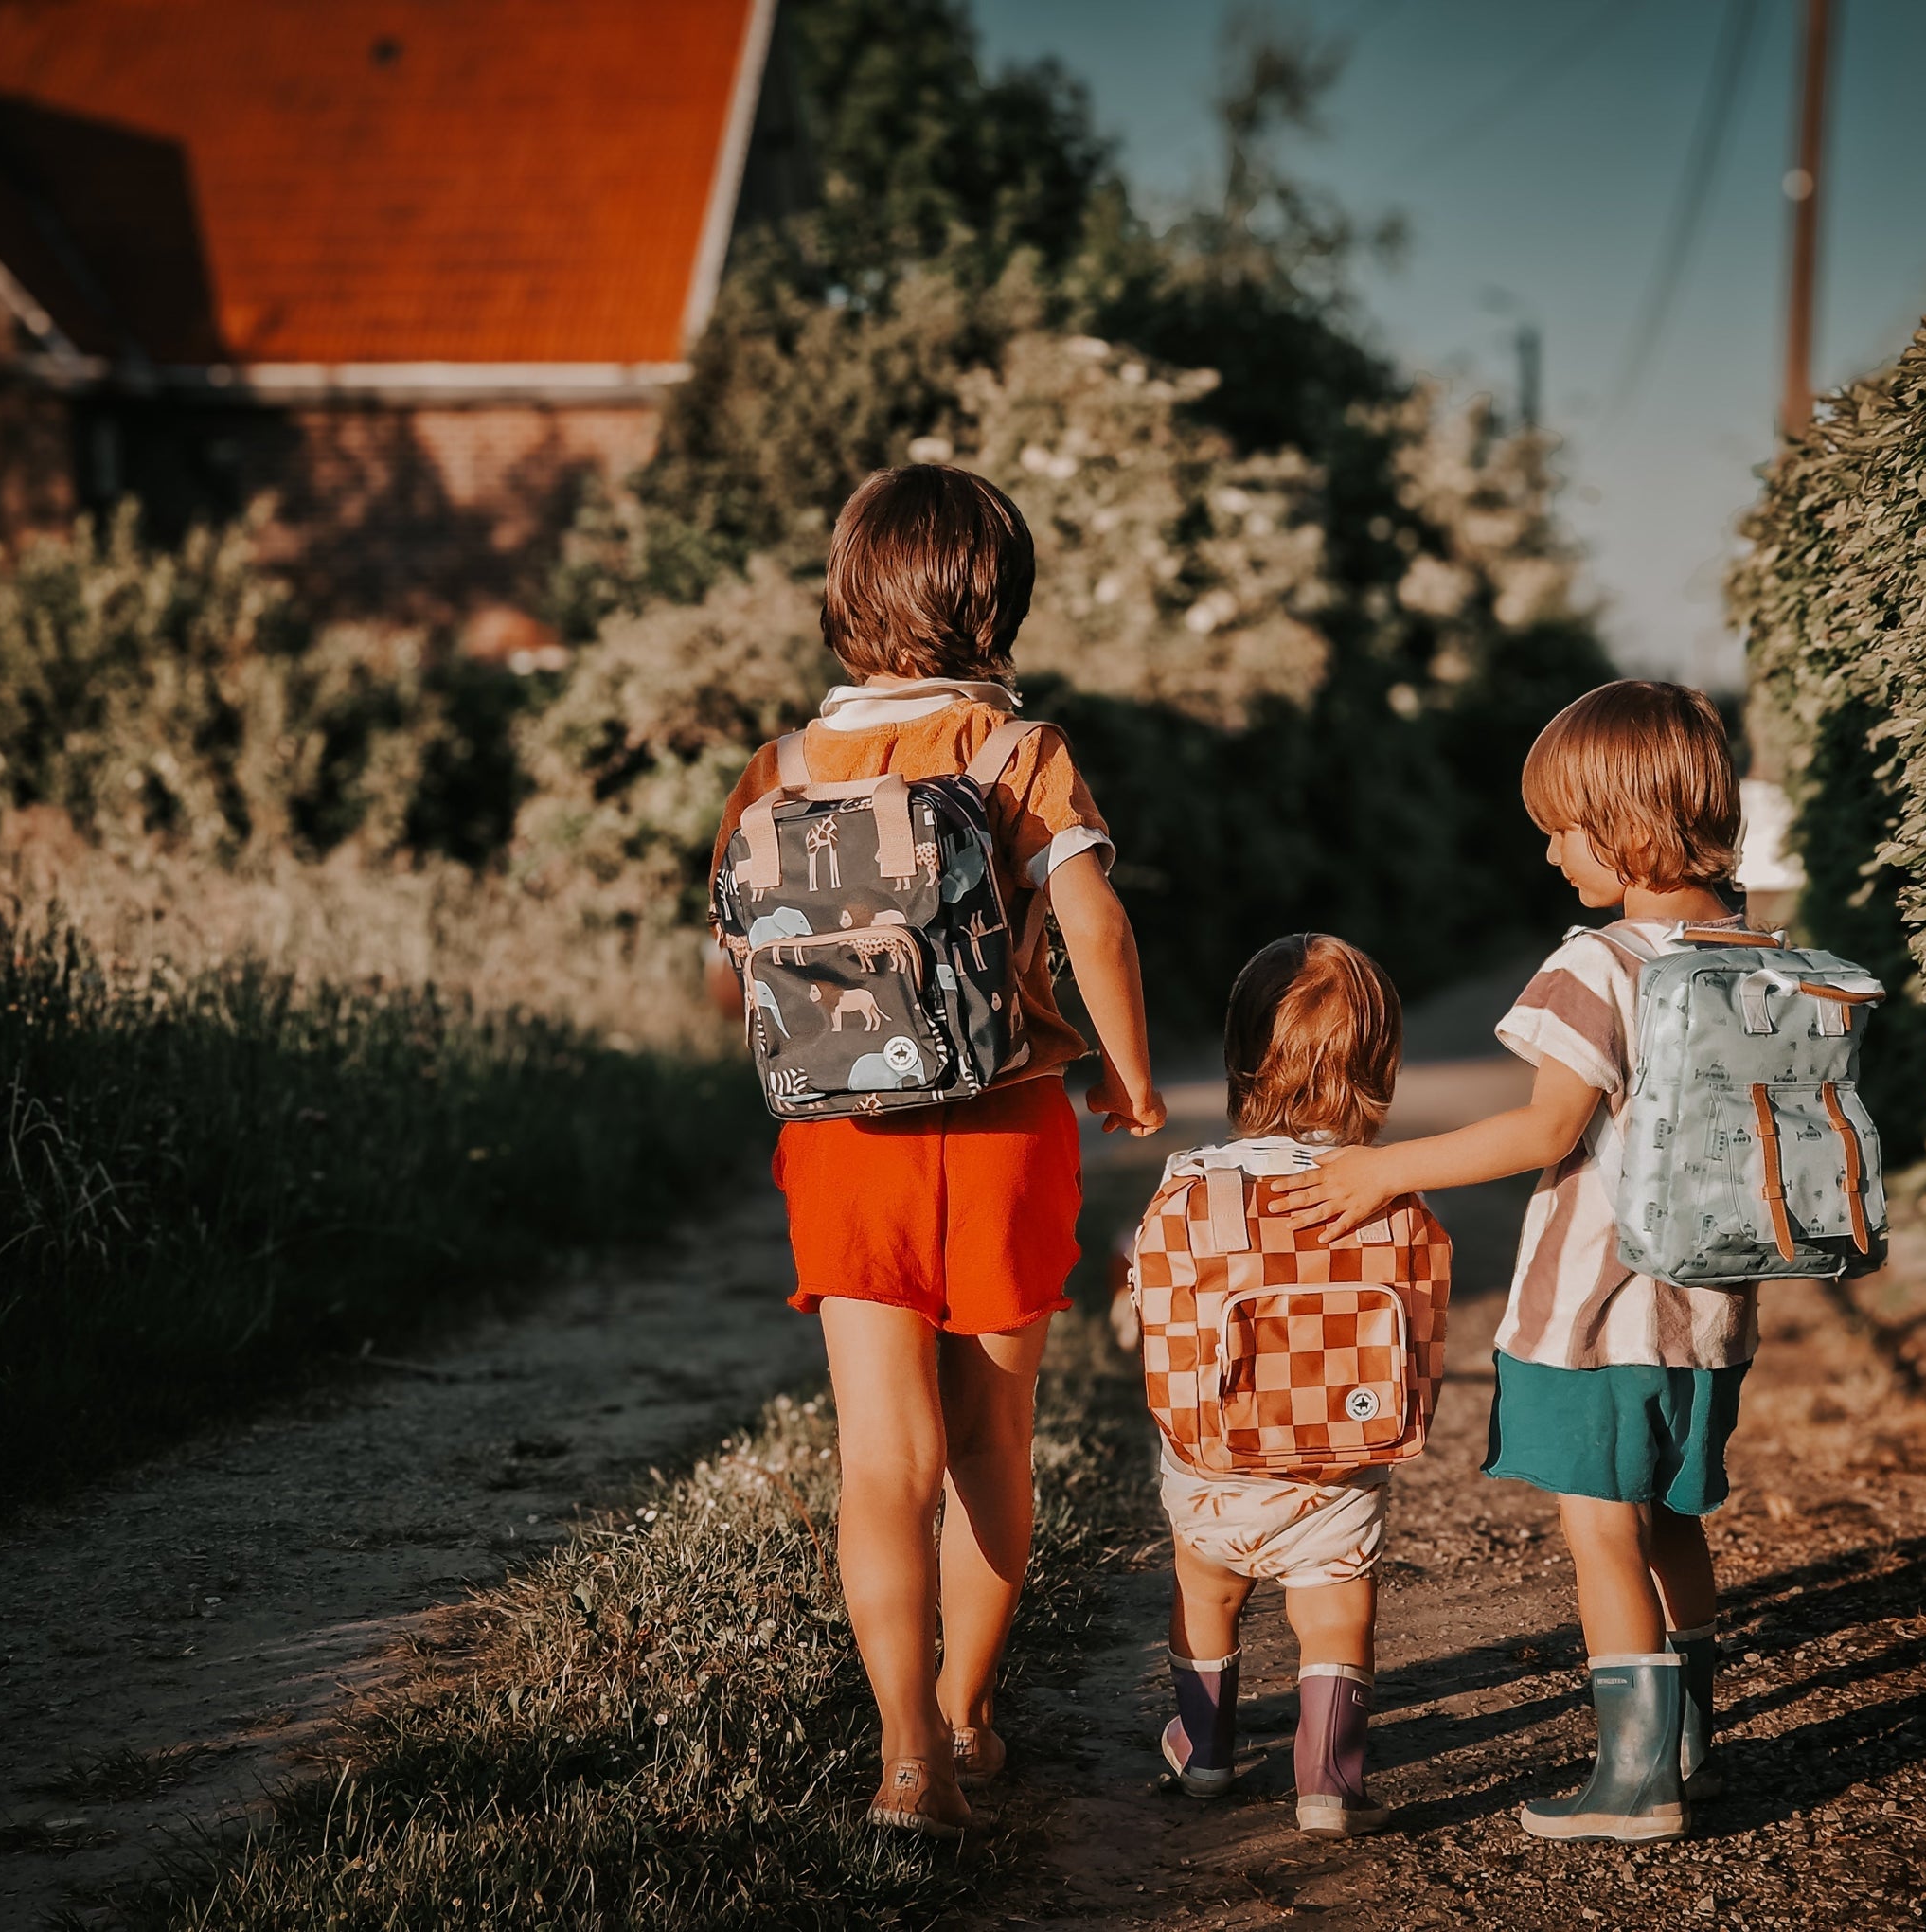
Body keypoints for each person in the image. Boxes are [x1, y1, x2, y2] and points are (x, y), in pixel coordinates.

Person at [705, 465, 1166, 1839]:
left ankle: (907, 1762)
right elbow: (1094, 923)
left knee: (881, 1459)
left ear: (845, 595)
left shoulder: (781, 770)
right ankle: (968, 1714)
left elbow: (733, 971)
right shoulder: (1017, 753)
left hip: (847, 1142)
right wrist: (1131, 1077)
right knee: (990, 1439)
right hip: (1007, 1123)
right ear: (996, 600)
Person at [1272, 680, 1752, 1844]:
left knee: (1601, 1528)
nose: (1547, 852)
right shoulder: (1751, 954)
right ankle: (1689, 1740)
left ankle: (1634, 1783)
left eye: (1561, 827)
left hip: (1600, 1307)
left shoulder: (1601, 963)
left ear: (1624, 822)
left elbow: (1544, 1129)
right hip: (1710, 1306)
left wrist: (1383, 1170)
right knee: (1669, 1514)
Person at [1142, 933, 1448, 1839]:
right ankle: (1329, 1781)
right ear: (1380, 1067)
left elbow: (1152, 1310)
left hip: (1215, 1457)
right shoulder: (1388, 1192)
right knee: (1336, 1604)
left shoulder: (1193, 1187)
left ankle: (1204, 1750)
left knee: (1205, 1589)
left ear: (1240, 1059)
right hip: (1342, 1457)